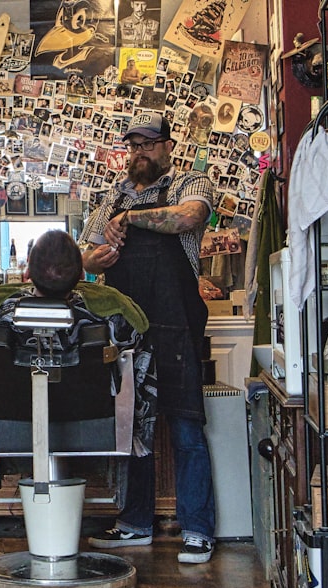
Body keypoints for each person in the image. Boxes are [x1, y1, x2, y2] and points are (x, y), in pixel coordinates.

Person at [79, 110, 217, 564]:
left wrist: (133, 220)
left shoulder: (187, 184)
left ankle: (197, 528)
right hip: (127, 329)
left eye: (149, 144)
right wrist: (98, 256)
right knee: (132, 428)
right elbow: (86, 257)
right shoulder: (109, 198)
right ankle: (135, 522)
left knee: (185, 426)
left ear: (167, 147)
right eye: (134, 145)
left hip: (175, 325)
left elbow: (188, 218)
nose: (141, 152)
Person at [0, 230, 157, 467]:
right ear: (81, 273)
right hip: (92, 423)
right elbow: (139, 372)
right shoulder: (113, 313)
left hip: (10, 423)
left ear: (27, 271)